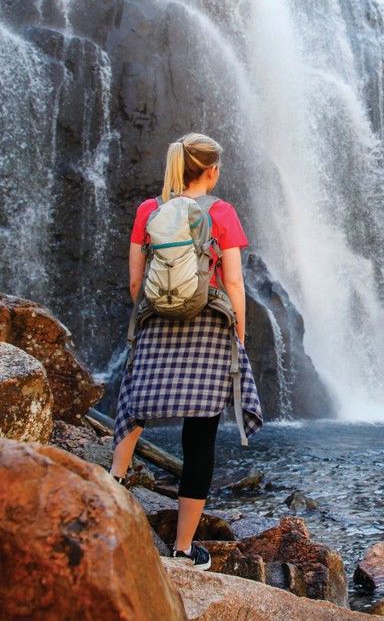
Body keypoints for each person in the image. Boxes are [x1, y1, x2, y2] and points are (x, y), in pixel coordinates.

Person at [110, 132, 262, 570]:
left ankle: (112, 484)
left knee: (135, 404)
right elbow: (233, 282)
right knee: (200, 439)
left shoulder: (148, 210)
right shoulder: (222, 212)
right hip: (210, 326)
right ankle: (181, 551)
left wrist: (149, 317)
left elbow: (137, 282)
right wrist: (239, 334)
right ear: (211, 170)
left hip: (157, 320)